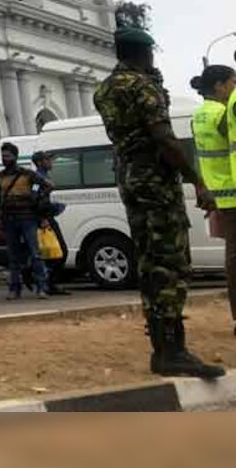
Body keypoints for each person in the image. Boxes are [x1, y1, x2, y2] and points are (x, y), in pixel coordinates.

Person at [94, 24, 223, 379]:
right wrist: (196, 180)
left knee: (150, 262)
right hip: (155, 180)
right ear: (143, 53)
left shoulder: (105, 89)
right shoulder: (143, 86)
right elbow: (164, 137)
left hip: (129, 177)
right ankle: (173, 351)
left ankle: (162, 348)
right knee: (170, 263)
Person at [192, 64, 236, 336]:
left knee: (232, 258)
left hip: (219, 195)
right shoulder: (223, 113)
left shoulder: (198, 115)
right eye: (232, 82)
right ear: (219, 86)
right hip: (232, 193)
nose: (234, 87)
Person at [0, 142, 51, 301]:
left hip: (28, 219)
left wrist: (36, 199)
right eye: (3, 156)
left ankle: (41, 287)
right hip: (9, 220)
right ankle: (14, 289)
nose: (5, 159)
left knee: (35, 253)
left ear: (15, 157)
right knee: (13, 256)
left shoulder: (27, 174)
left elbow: (47, 185)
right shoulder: (1, 176)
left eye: (8, 156)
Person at [31, 151, 71, 296]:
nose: (51, 162)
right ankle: (47, 283)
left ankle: (50, 283)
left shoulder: (44, 176)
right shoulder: (37, 178)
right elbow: (34, 197)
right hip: (44, 218)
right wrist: (42, 218)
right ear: (40, 162)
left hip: (47, 215)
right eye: (48, 159)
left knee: (54, 252)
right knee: (59, 251)